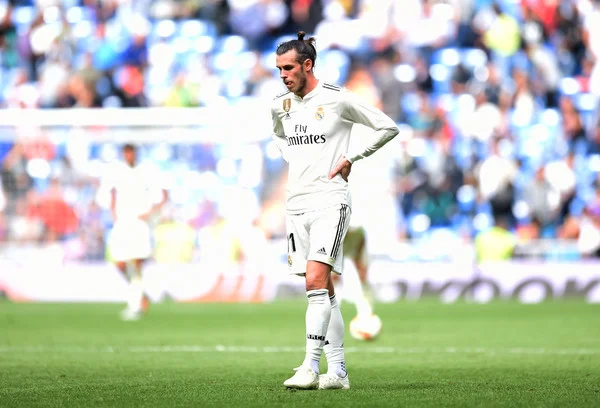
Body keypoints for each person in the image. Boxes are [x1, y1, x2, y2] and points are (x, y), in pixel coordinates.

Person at [270, 31, 399, 390]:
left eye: (289, 67)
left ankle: (310, 366)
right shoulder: (280, 105)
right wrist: (292, 157)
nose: (283, 75)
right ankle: (338, 372)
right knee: (323, 289)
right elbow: (278, 134)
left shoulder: (337, 99)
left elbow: (387, 127)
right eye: (279, 69)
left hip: (331, 200)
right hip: (296, 205)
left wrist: (351, 157)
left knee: (315, 280)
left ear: (307, 65)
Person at [103, 143, 168, 321]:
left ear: (135, 153)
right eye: (126, 152)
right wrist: (114, 211)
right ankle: (140, 296)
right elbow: (112, 192)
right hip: (123, 223)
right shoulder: (117, 172)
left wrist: (150, 213)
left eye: (131, 152)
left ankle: (136, 305)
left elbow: (164, 193)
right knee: (120, 263)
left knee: (136, 262)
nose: (129, 155)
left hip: (140, 224)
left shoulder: (146, 171)